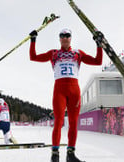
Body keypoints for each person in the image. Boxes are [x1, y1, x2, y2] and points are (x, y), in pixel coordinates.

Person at [29, 28, 103, 162]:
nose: (64, 38)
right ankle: (55, 155)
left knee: (74, 123)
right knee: (58, 121)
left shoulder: (78, 53)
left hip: (74, 90)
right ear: (59, 39)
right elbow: (33, 57)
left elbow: (97, 61)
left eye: (67, 35)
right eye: (62, 35)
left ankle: (70, 154)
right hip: (59, 90)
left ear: (70, 38)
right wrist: (33, 40)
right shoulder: (54, 53)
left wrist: (99, 45)